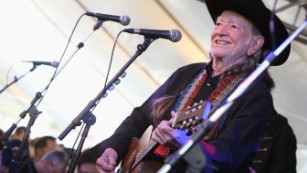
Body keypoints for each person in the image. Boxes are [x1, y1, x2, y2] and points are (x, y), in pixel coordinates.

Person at [94, 0, 292, 172]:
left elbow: (227, 156)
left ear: (255, 44)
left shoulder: (255, 96)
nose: (220, 31)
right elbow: (140, 117)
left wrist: (185, 144)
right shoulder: (187, 73)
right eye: (219, 23)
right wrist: (114, 149)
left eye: (233, 27)